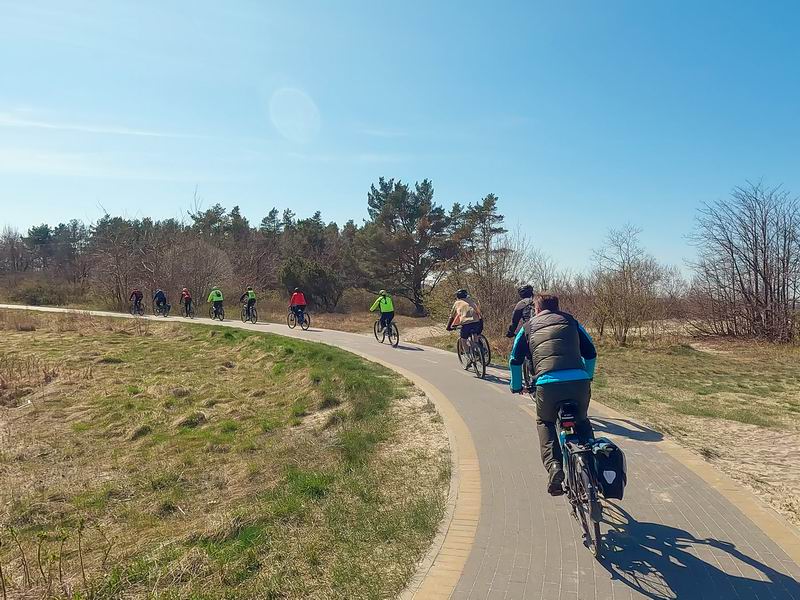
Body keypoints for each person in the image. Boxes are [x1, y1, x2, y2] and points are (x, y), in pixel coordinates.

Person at [509, 293, 597, 496]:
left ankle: (555, 467)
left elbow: (515, 359)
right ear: (557, 307)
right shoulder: (571, 321)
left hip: (547, 385)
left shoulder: (528, 326)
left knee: (545, 422)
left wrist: (515, 386)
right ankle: (590, 463)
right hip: (579, 382)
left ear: (537, 309)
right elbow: (591, 352)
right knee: (582, 421)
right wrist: (587, 376)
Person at [445, 289, 483, 365]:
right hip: (477, 321)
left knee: (463, 340)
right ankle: (478, 349)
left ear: (457, 296)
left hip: (466, 323)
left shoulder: (457, 303)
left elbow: (452, 316)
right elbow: (478, 312)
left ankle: (469, 357)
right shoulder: (471, 301)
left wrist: (448, 327)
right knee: (475, 334)